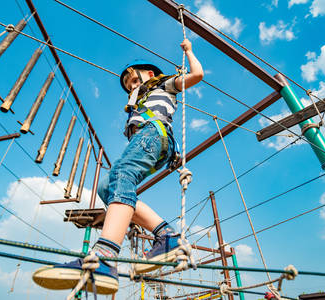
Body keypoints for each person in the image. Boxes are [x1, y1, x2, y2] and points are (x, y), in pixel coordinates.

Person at [32, 39, 203, 294]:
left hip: (153, 134)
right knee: (107, 185)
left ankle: (105, 256)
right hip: (147, 139)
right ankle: (167, 237)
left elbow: (197, 75)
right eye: (128, 85)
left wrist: (188, 52)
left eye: (133, 80)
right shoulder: (139, 102)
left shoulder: (163, 84)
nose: (131, 86)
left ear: (150, 75)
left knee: (123, 174)